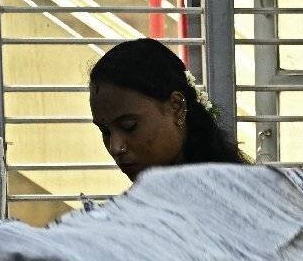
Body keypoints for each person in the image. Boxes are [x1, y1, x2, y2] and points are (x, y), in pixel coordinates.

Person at [88, 38, 247, 181]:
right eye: (105, 132)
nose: (115, 147)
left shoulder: (227, 198)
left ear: (177, 108)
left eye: (129, 126)